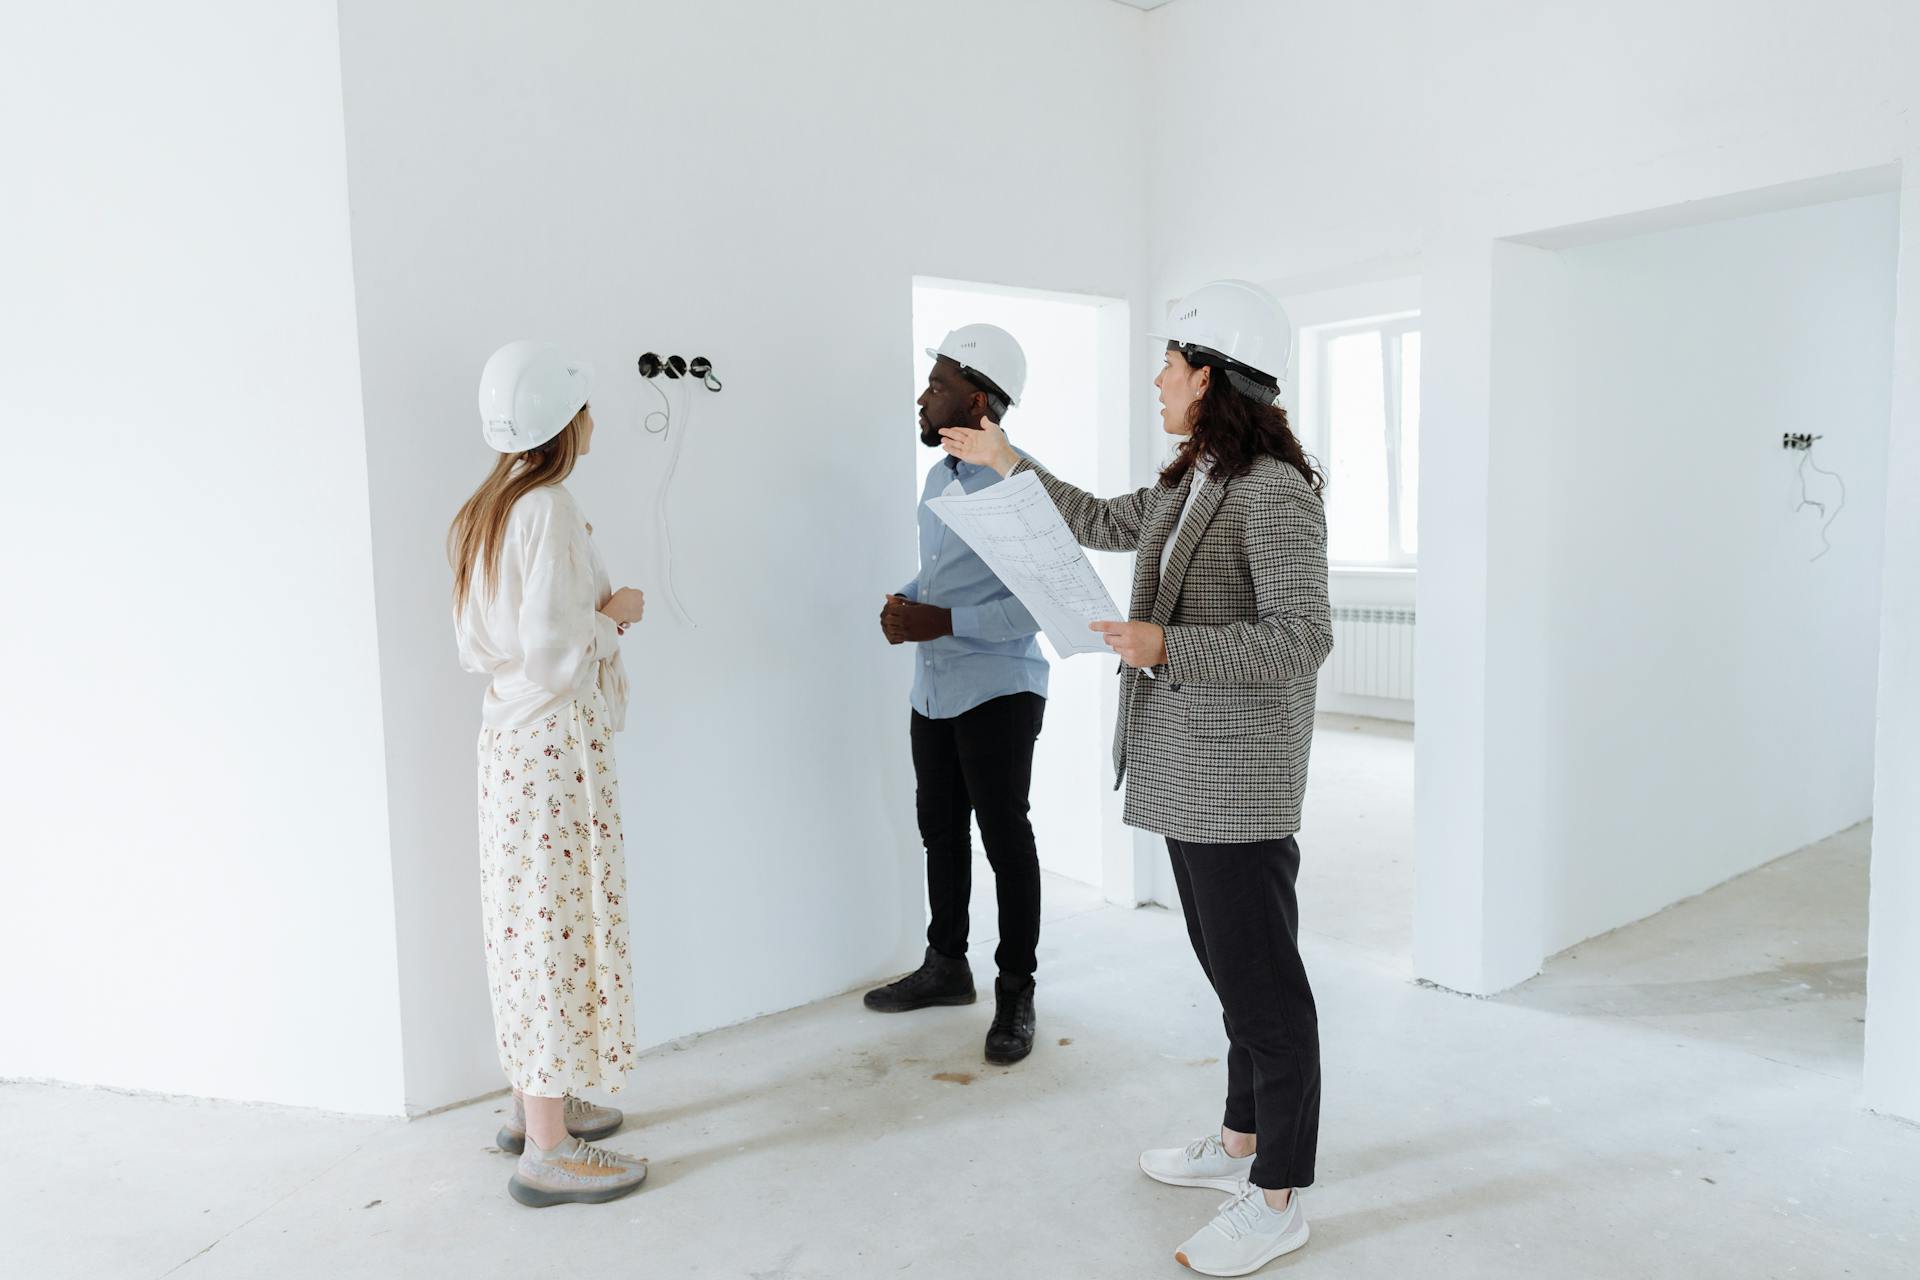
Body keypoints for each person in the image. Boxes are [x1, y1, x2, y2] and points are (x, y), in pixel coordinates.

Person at [939, 282, 1333, 1275]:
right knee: (1230, 973)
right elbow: (1103, 519)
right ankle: (1239, 1142)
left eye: (1168, 361)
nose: (1156, 377)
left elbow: (1302, 637)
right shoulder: (1195, 474)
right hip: (1186, 768)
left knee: (1267, 991)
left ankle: (1280, 1193)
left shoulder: (1275, 489)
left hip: (1237, 776)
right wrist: (1003, 457)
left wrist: (1168, 642)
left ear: (1209, 374)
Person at [450, 340, 650, 1207]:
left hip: (508, 745)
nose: (595, 419)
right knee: (555, 924)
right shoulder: (550, 507)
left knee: (529, 922)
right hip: (553, 748)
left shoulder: (484, 509)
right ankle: (548, 1145)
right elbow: (555, 652)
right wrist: (616, 615)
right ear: (562, 423)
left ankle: (537, 1098)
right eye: (585, 407)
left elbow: (482, 647)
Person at [865, 324, 1049, 1066]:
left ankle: (1016, 990)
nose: (922, 395)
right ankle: (948, 966)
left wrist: (939, 620)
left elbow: (1036, 608)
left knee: (1006, 841)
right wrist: (904, 601)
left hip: (999, 690)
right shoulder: (941, 477)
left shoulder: (1019, 486)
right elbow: (940, 577)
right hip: (934, 689)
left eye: (936, 386)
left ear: (977, 400)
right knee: (940, 829)